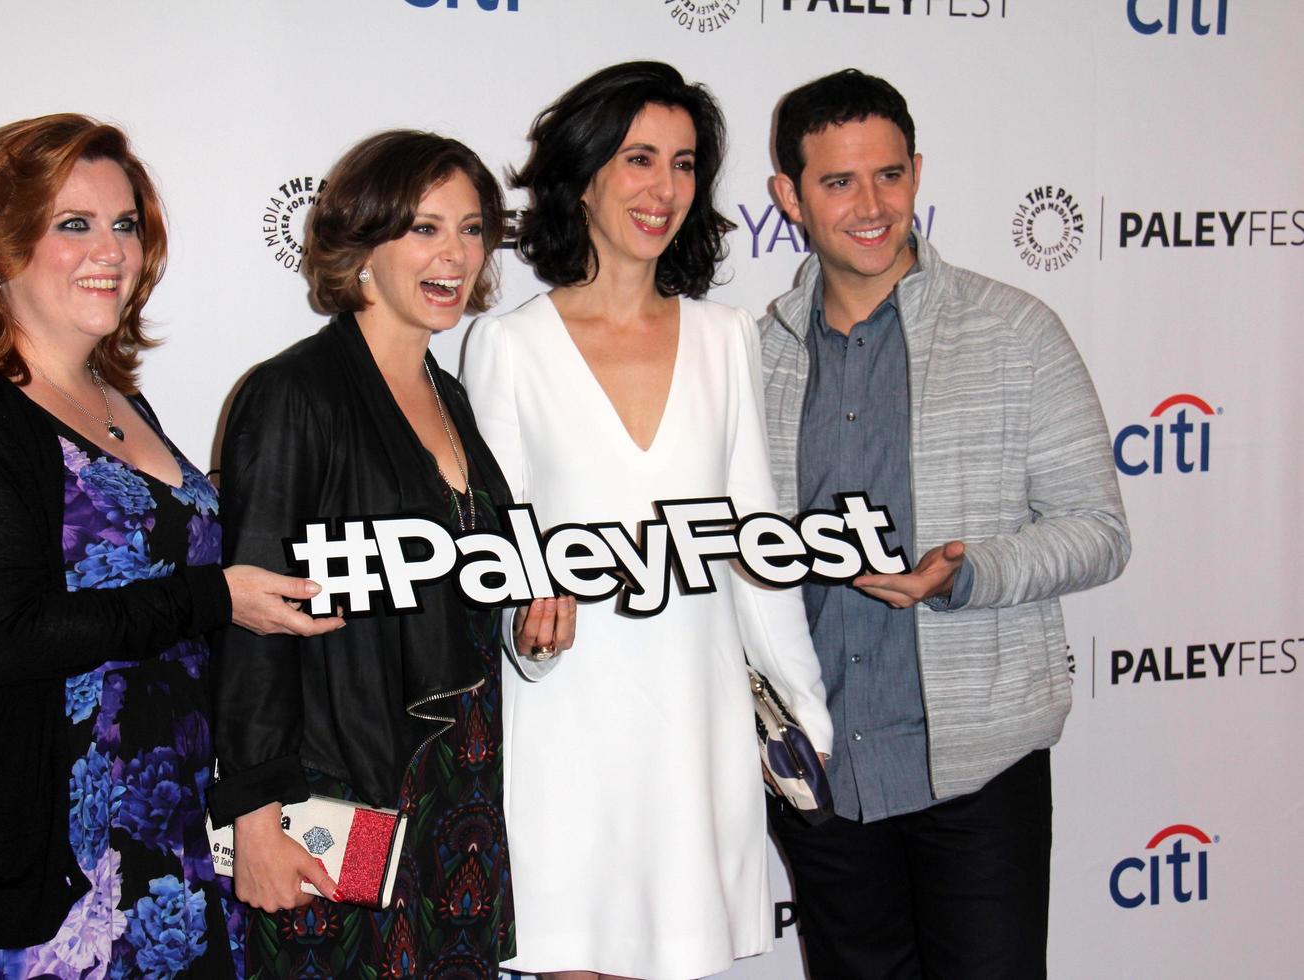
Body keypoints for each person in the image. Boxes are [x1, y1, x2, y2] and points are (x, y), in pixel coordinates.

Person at [0, 113, 338, 979]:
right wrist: (216, 596)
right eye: (72, 224)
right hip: (37, 874)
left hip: (169, 845)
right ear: (0, 245)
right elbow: (7, 637)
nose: (110, 250)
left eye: (124, 225)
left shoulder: (125, 403)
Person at [460, 62, 833, 980]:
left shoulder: (727, 339)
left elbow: (759, 550)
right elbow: (491, 559)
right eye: (637, 159)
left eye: (683, 162)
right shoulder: (505, 346)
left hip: (691, 725)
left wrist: (808, 717)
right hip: (564, 725)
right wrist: (528, 631)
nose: (662, 188)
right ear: (583, 175)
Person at [758, 68, 1132, 978]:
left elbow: (1098, 529)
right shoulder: (754, 355)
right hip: (825, 777)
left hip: (978, 769)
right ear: (790, 198)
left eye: (889, 175)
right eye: (838, 182)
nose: (870, 206)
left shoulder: (1015, 331)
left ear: (918, 172)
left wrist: (966, 571)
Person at [210, 129, 572, 977]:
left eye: (473, 228)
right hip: (344, 791)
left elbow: (461, 592)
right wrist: (255, 815)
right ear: (362, 243)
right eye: (424, 228)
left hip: (458, 788)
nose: (455, 254)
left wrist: (532, 626)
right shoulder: (294, 393)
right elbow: (253, 618)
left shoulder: (450, 395)